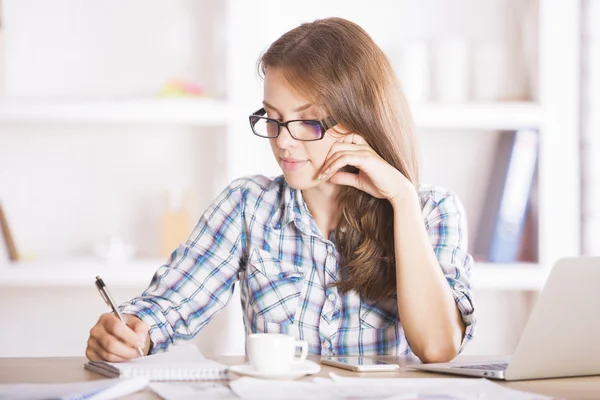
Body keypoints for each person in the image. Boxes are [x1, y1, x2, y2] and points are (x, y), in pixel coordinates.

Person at [86, 17, 475, 364]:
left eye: (307, 121)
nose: (283, 142)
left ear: (361, 119)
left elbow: (438, 348)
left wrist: (402, 200)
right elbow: (172, 304)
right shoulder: (248, 205)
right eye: (272, 118)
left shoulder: (432, 210)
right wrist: (132, 331)